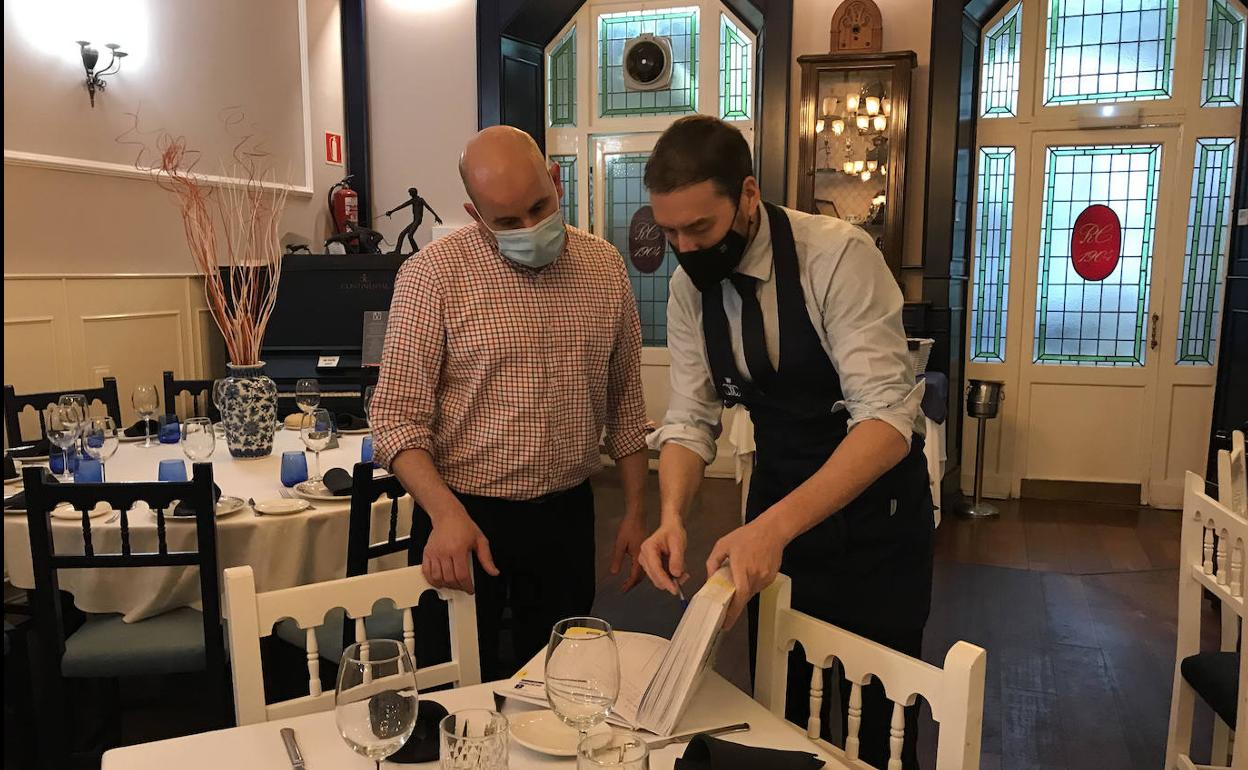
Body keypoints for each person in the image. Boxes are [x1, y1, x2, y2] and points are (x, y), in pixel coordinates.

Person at [636, 115, 933, 769]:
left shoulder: (838, 256)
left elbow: (887, 426)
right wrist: (672, 516)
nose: (685, 249)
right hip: (777, 496)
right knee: (783, 715)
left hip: (875, 522)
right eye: (672, 233)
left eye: (701, 229)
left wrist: (773, 528)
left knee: (880, 726)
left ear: (746, 196)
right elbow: (689, 418)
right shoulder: (690, 286)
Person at [370, 125, 651, 680]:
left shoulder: (606, 267)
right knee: (449, 686)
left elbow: (625, 405)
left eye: (538, 207)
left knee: (561, 684)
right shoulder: (431, 275)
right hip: (461, 514)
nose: (528, 228)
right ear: (475, 214)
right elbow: (395, 420)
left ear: (555, 181)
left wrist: (637, 511)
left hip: (567, 516)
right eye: (505, 221)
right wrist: (446, 514)